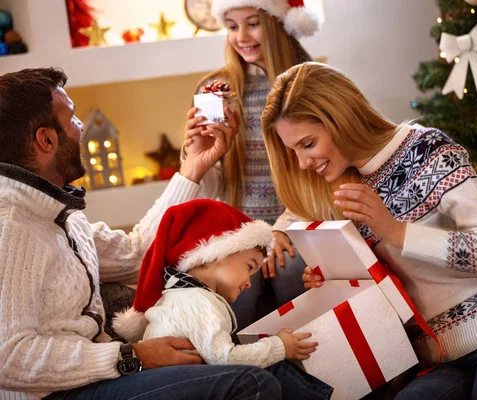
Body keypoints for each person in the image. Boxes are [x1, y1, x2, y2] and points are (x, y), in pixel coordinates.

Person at [261, 62, 477, 399]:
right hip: (439, 360)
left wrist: (396, 232)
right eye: (294, 151)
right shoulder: (344, 188)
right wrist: (335, 285)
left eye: (307, 144)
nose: (303, 163)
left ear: (339, 118)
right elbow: (396, 298)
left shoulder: (428, 148)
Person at [0, 67, 282, 399]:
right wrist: (132, 356)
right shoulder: (11, 227)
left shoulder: (63, 217)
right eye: (72, 119)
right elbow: (9, 357)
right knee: (250, 384)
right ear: (46, 140)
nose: (81, 126)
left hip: (102, 375)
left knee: (268, 361)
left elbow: (136, 254)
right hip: (57, 393)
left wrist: (192, 167)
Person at [182, 0, 322, 328]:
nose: (241, 36)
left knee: (291, 269)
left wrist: (281, 230)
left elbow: (322, 170)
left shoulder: (309, 84)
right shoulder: (217, 91)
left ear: (277, 23)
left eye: (252, 23)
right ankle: (243, 369)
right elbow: (212, 189)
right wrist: (198, 155)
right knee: (236, 285)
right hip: (237, 228)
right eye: (231, 26)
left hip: (298, 220)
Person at [113, 199, 333, 400]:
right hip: (180, 387)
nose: (248, 282)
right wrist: (279, 347)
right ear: (216, 254)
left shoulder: (180, 296)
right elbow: (224, 359)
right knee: (271, 365)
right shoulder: (196, 301)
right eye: (249, 267)